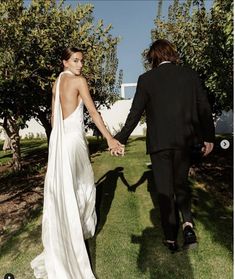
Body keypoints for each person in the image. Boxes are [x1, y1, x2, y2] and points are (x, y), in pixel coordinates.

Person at [31, 47, 124, 279]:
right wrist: (110, 138)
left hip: (58, 142)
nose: (80, 65)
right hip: (73, 141)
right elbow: (93, 112)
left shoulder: (56, 83)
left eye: (82, 60)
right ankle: (77, 232)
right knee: (82, 185)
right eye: (75, 60)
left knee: (63, 188)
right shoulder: (78, 81)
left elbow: (54, 118)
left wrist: (57, 140)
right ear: (65, 62)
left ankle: (66, 234)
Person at [114, 39, 215, 252]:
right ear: (171, 54)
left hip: (159, 143)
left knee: (164, 190)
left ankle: (170, 238)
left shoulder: (146, 79)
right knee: (181, 184)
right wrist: (209, 138)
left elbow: (134, 114)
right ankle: (188, 225)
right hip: (185, 141)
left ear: (153, 58)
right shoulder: (190, 75)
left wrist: (120, 138)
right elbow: (204, 108)